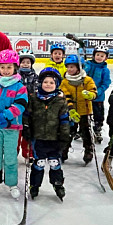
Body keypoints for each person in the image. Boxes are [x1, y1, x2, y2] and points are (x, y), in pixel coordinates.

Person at [0, 49, 28, 199]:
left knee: (10, 157)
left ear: (15, 67)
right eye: (3, 67)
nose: (6, 70)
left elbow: (21, 104)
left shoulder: (20, 87)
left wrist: (7, 115)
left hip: (11, 128)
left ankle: (11, 183)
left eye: (9, 67)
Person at [22, 68, 70, 201]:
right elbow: (27, 115)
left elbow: (65, 119)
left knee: (55, 163)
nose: (48, 85)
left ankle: (57, 184)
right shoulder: (33, 98)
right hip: (38, 138)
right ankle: (34, 185)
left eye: (51, 83)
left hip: (54, 138)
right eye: (45, 82)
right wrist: (26, 127)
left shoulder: (60, 101)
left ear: (56, 85)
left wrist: (65, 135)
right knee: (39, 163)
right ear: (40, 83)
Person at [60, 54, 97, 165]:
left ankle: (88, 150)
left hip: (85, 111)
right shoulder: (65, 81)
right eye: (68, 67)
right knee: (68, 132)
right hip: (70, 112)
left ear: (79, 68)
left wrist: (90, 95)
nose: (69, 69)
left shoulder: (87, 80)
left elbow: (94, 91)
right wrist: (70, 109)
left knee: (87, 133)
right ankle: (63, 150)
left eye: (72, 67)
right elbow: (65, 96)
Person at [84, 45, 112, 144]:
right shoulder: (88, 65)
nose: (99, 57)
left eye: (102, 55)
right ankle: (81, 129)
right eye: (97, 55)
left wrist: (97, 92)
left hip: (98, 97)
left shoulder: (105, 70)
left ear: (106, 58)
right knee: (83, 112)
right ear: (93, 55)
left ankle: (97, 129)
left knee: (98, 114)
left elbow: (106, 83)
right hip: (85, 95)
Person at [18, 48, 38, 163]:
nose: (25, 64)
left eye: (28, 62)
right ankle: (14, 151)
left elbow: (37, 91)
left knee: (29, 131)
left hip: (30, 109)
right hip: (17, 108)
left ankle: (28, 152)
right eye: (23, 62)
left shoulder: (35, 77)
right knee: (17, 131)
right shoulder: (15, 76)